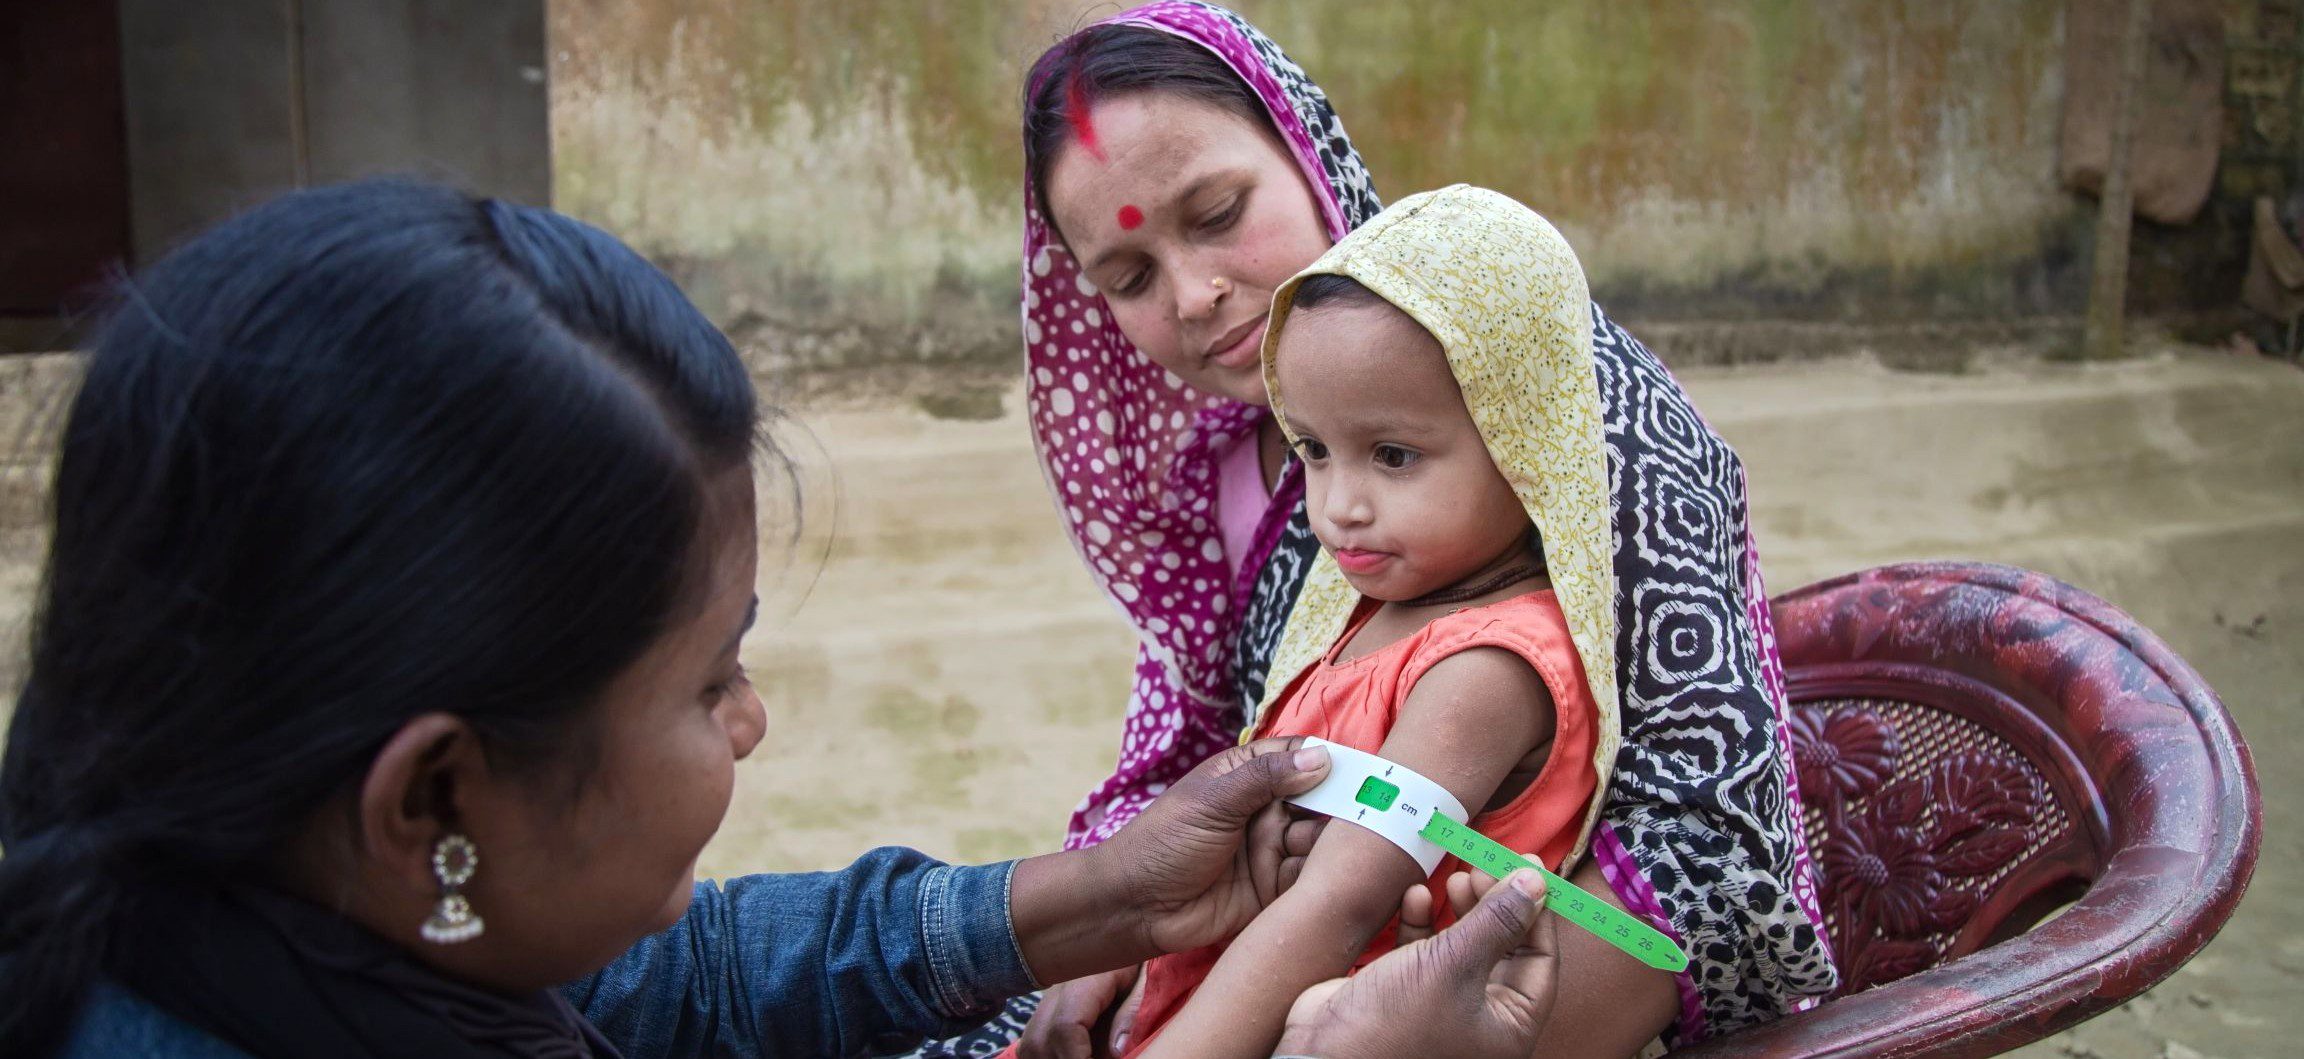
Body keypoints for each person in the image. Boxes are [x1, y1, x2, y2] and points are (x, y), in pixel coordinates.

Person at [0, 179, 1570, 1059]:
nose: (751, 719)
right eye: (705, 683)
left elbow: (658, 988)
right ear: (435, 799)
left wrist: (1098, 899)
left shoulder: (269, 897)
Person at [996, 5, 1840, 1055]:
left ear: (1306, 150)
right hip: (1247, 959)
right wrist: (1106, 936)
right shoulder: (1215, 477)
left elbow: (1714, 861)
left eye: (1217, 212)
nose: (1194, 292)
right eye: (1128, 279)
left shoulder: (1563, 404)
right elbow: (1208, 751)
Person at [1097, 185, 1616, 1058]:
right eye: (1314, 451)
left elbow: (1338, 904)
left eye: (1394, 455)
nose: (1338, 506)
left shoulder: (1487, 669)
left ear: (1523, 433)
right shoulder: (1365, 608)